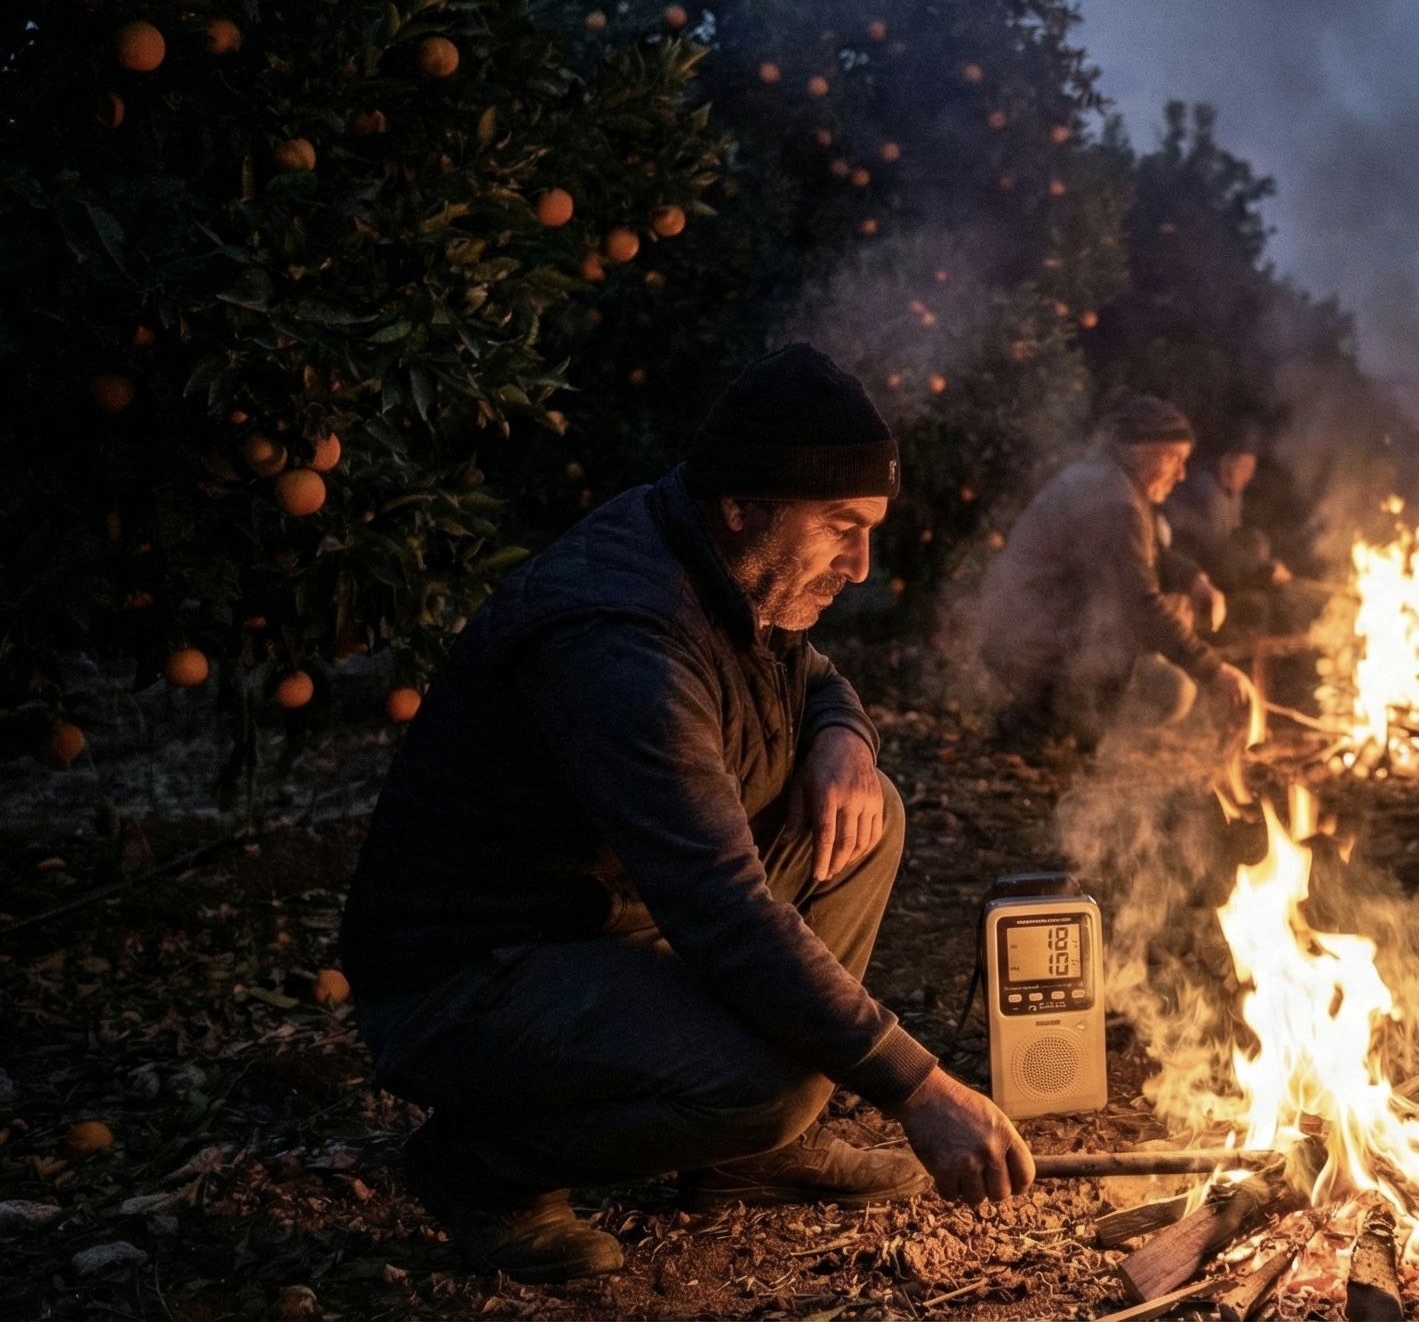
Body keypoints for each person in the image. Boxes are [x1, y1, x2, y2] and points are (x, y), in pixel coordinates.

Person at [340, 344, 1033, 1283]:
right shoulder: (622, 642)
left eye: (869, 527)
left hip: (610, 919)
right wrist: (918, 1085)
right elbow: (723, 911)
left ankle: (744, 1160)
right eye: (840, 525)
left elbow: (810, 673)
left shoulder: (725, 560)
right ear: (745, 502)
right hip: (474, 972)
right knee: (771, 1081)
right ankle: (480, 1174)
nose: (862, 564)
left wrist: (845, 737)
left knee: (875, 819)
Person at [982, 395, 1256, 751]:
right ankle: (1049, 719)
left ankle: (1062, 719)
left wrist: (1194, 581)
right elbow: (1139, 604)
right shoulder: (1114, 501)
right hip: (1030, 644)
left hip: (1039, 631)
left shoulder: (1111, 481)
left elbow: (1146, 556)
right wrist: (1213, 671)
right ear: (1145, 452)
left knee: (1170, 612)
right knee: (1173, 692)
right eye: (1176, 459)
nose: (1182, 473)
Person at [1166, 436, 1293, 633]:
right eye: (1245, 467)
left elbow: (1235, 537)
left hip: (1214, 564)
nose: (1249, 475)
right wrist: (1262, 570)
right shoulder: (1208, 492)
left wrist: (1264, 561)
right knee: (1254, 606)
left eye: (1252, 469)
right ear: (1226, 462)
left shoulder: (1231, 493)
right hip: (1189, 570)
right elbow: (1217, 549)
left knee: (1256, 540)